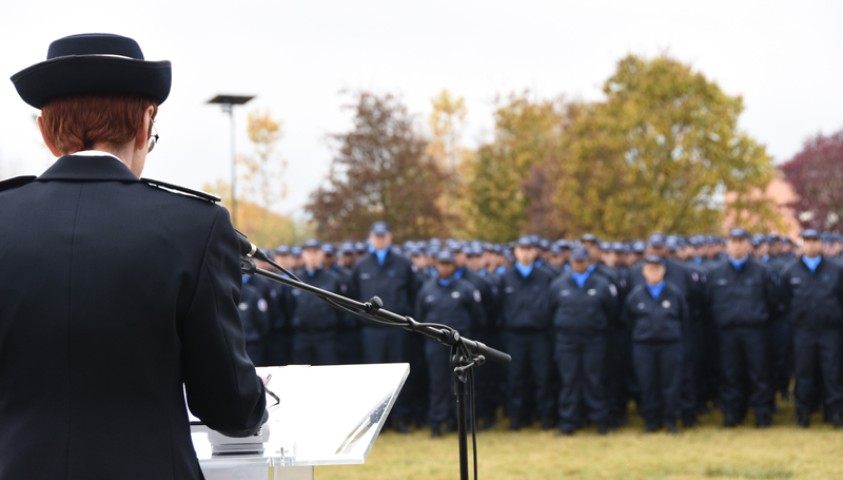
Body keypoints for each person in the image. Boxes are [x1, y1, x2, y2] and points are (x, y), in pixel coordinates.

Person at [1, 34, 267, 480]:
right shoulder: (194, 227)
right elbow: (230, 408)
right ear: (145, 125)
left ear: (46, 133)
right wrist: (257, 398)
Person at [350, 221, 420, 432]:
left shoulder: (403, 263)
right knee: (375, 377)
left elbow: (414, 293)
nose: (380, 240)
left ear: (390, 237)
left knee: (399, 374)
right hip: (371, 331)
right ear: (371, 238)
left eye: (383, 236)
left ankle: (400, 418)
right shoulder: (361, 265)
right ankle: (379, 421)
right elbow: (353, 296)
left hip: (396, 328)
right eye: (376, 236)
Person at [706, 228, 776, 428]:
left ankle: (762, 414)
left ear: (749, 244)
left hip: (755, 331)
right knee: (730, 373)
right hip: (727, 332)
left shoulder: (762, 271)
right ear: (727, 245)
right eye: (733, 241)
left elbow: (773, 300)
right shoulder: (716, 273)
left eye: (741, 241)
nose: (737, 245)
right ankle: (732, 414)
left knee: (759, 373)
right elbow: (708, 301)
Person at [548, 247, 619, 435]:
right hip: (566, 340)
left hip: (594, 339)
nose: (578, 264)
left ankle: (600, 421)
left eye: (582, 261)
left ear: (588, 261)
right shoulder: (558, 285)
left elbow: (612, 311)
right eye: (575, 261)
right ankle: (568, 422)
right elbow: (550, 309)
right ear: (570, 261)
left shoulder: (602, 284)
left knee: (594, 380)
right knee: (569, 381)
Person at [415, 250, 484, 437]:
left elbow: (477, 317)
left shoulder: (466, 288)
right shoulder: (427, 289)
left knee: (462, 382)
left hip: (461, 344)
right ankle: (438, 422)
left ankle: (463, 422)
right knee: (438, 383)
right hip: (435, 344)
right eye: (441, 264)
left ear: (454, 266)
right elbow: (420, 316)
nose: (445, 268)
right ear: (436, 265)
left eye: (448, 264)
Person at [780, 229, 843, 427]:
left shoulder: (836, 270)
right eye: (807, 241)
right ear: (802, 244)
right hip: (803, 331)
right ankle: (803, 413)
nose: (811, 244)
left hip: (830, 330)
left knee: (832, 373)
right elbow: (784, 299)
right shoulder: (791, 271)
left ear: (821, 243)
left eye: (815, 240)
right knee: (804, 372)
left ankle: (834, 412)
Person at [624, 255, 689, 434]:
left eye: (657, 268)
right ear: (643, 272)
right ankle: (651, 421)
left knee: (671, 384)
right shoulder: (635, 295)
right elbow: (628, 321)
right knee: (647, 384)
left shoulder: (675, 294)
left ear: (664, 271)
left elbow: (684, 319)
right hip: (644, 346)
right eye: (650, 268)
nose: (654, 272)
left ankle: (670, 421)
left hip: (670, 345)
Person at [498, 236, 555, 430]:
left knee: (543, 377)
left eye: (529, 249)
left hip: (540, 335)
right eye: (521, 249)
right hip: (514, 336)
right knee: (515, 377)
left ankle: (545, 416)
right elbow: (498, 307)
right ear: (515, 252)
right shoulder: (506, 277)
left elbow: (552, 305)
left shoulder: (545, 277)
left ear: (535, 252)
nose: (525, 253)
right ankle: (517, 418)